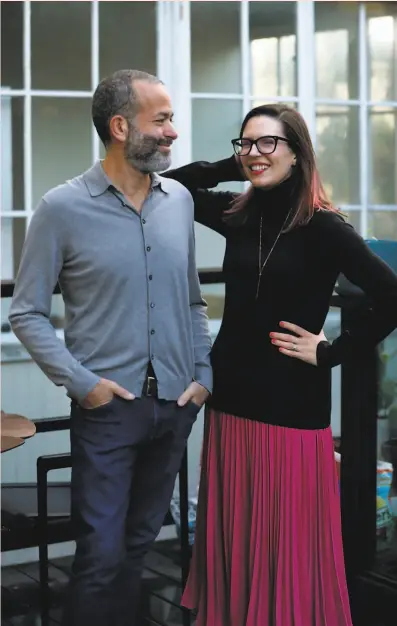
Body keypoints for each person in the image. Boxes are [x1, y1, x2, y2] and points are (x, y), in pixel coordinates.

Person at [163, 103, 397, 626]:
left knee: (286, 531)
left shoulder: (325, 226)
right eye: (245, 143)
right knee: (239, 527)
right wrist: (237, 167)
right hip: (232, 397)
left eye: (269, 143)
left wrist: (332, 352)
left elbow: (391, 293)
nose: (254, 152)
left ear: (298, 153)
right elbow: (172, 185)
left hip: (292, 401)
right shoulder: (237, 213)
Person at [9, 69, 212, 626]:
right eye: (162, 119)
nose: (174, 131)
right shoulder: (60, 209)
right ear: (121, 126)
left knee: (142, 547)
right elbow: (26, 312)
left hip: (175, 406)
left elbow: (193, 302)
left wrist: (203, 378)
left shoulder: (180, 203)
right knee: (99, 557)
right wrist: (84, 385)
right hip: (107, 411)